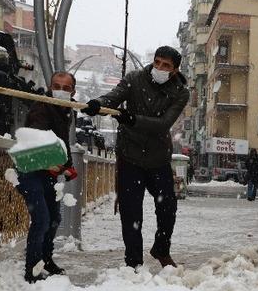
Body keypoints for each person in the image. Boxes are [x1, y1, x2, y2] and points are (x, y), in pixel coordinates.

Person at [81, 46, 189, 269]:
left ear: (175, 70)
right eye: (157, 62)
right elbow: (112, 98)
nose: (159, 68)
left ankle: (161, 249)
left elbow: (163, 124)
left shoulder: (180, 92)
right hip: (130, 155)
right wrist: (97, 105)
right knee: (131, 212)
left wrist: (132, 120)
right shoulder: (134, 79)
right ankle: (134, 262)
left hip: (158, 158)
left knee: (168, 207)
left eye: (166, 65)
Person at [17, 71, 79, 283]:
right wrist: (53, 162)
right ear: (50, 87)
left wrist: (67, 164)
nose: (60, 91)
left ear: (73, 92)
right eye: (56, 86)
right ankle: (32, 271)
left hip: (47, 173)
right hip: (30, 169)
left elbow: (62, 140)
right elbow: (38, 138)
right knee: (42, 220)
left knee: (54, 219)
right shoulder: (41, 107)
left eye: (66, 88)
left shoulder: (68, 110)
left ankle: (46, 260)